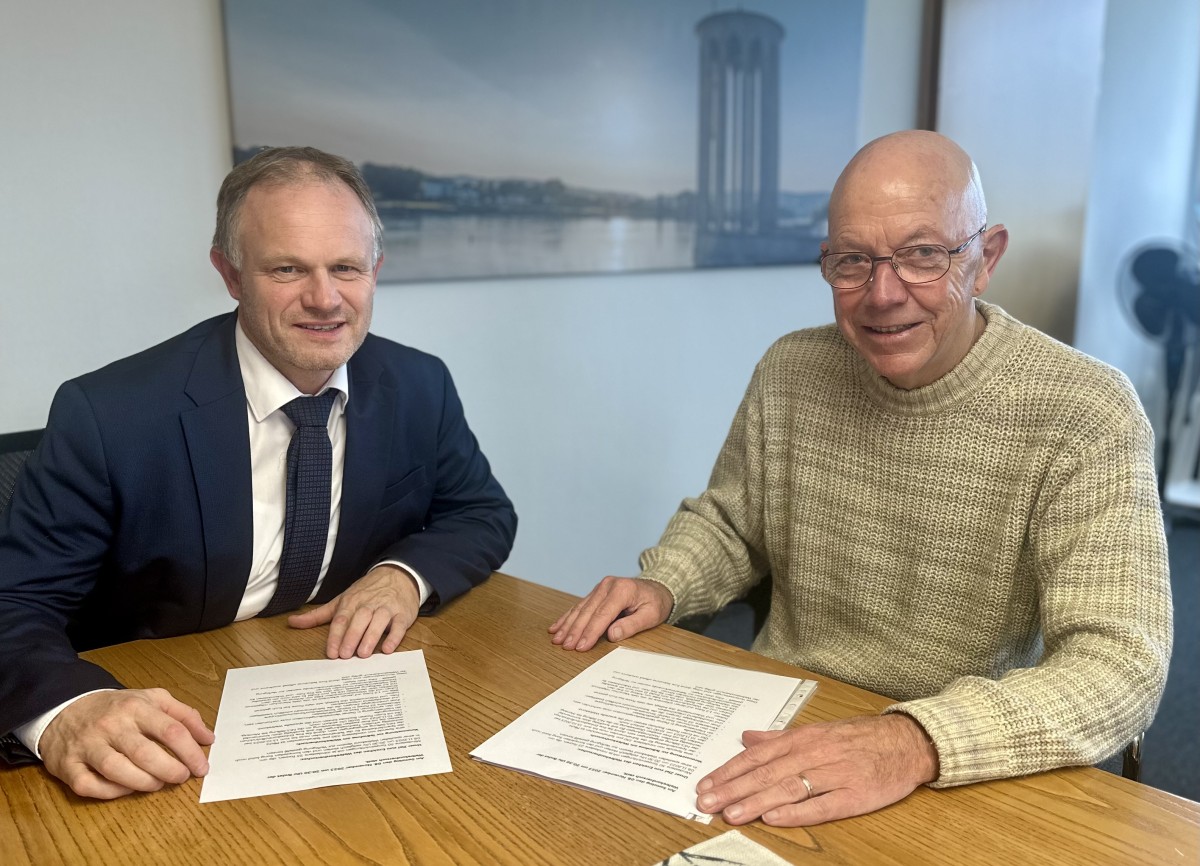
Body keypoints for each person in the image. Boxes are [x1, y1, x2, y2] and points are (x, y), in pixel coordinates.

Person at [550, 130, 1172, 827]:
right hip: (779, 721)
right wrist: (666, 581)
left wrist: (914, 740)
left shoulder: (1085, 409)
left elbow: (1120, 663)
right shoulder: (790, 370)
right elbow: (732, 522)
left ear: (985, 258)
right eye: (852, 261)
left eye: (922, 255)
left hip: (963, 758)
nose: (881, 294)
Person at [0, 146, 517, 799]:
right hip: (163, 728)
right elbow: (15, 600)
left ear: (376, 270)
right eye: (287, 268)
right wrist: (66, 711)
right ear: (230, 274)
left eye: (347, 268)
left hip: (346, 701)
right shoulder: (110, 414)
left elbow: (481, 512)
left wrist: (402, 577)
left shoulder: (419, 383)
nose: (325, 299)